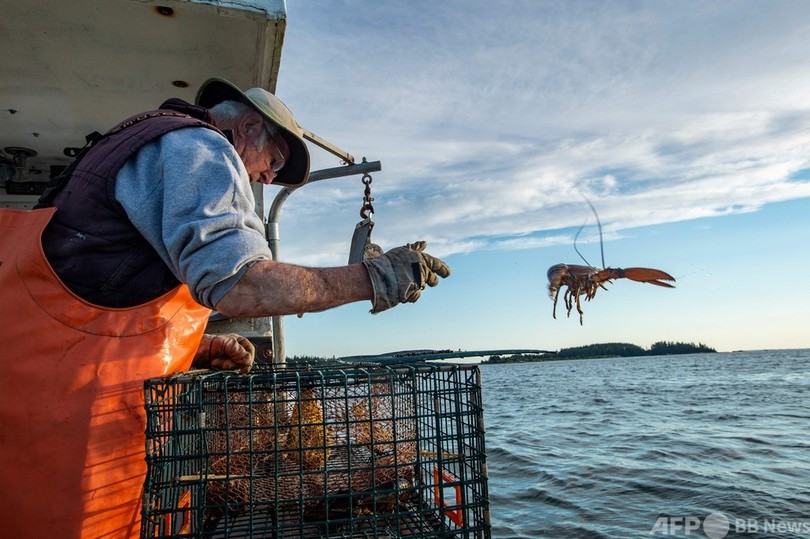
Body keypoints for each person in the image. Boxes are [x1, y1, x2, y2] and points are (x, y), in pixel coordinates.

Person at [0, 78, 450, 539]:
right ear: (248, 126)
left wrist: (197, 346)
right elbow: (242, 284)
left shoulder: (138, 145)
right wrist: (376, 278)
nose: (269, 177)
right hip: (77, 437)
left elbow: (86, 302)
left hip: (34, 406)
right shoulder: (198, 147)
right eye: (273, 160)